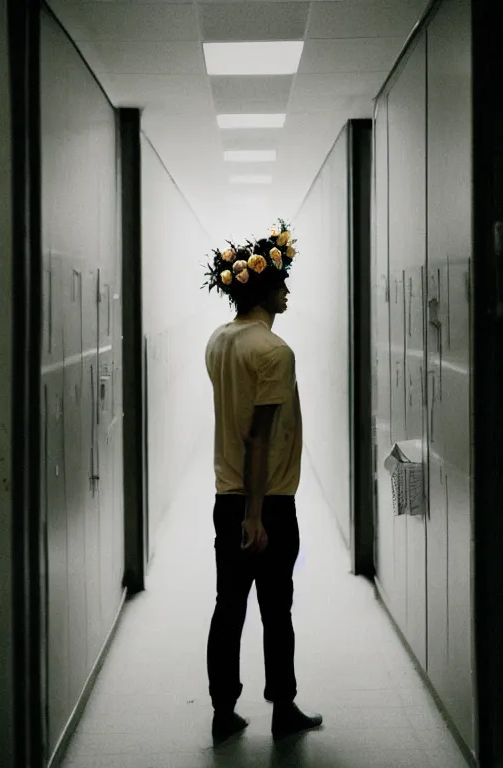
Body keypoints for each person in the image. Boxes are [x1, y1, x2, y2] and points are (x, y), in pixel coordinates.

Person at [202, 222, 323, 745]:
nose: (287, 291)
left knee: (228, 604)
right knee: (277, 608)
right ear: (262, 288)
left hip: (225, 497)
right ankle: (283, 707)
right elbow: (259, 438)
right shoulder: (274, 351)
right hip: (266, 501)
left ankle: (223, 710)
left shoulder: (219, 340)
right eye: (282, 283)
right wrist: (256, 516)